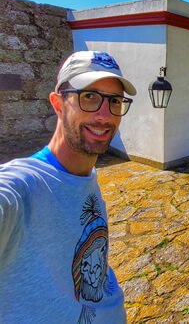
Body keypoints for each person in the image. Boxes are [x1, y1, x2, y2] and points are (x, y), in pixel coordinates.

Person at [0, 51, 136, 323]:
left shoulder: (85, 176)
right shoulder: (21, 186)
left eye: (115, 101)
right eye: (89, 97)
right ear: (58, 103)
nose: (104, 115)